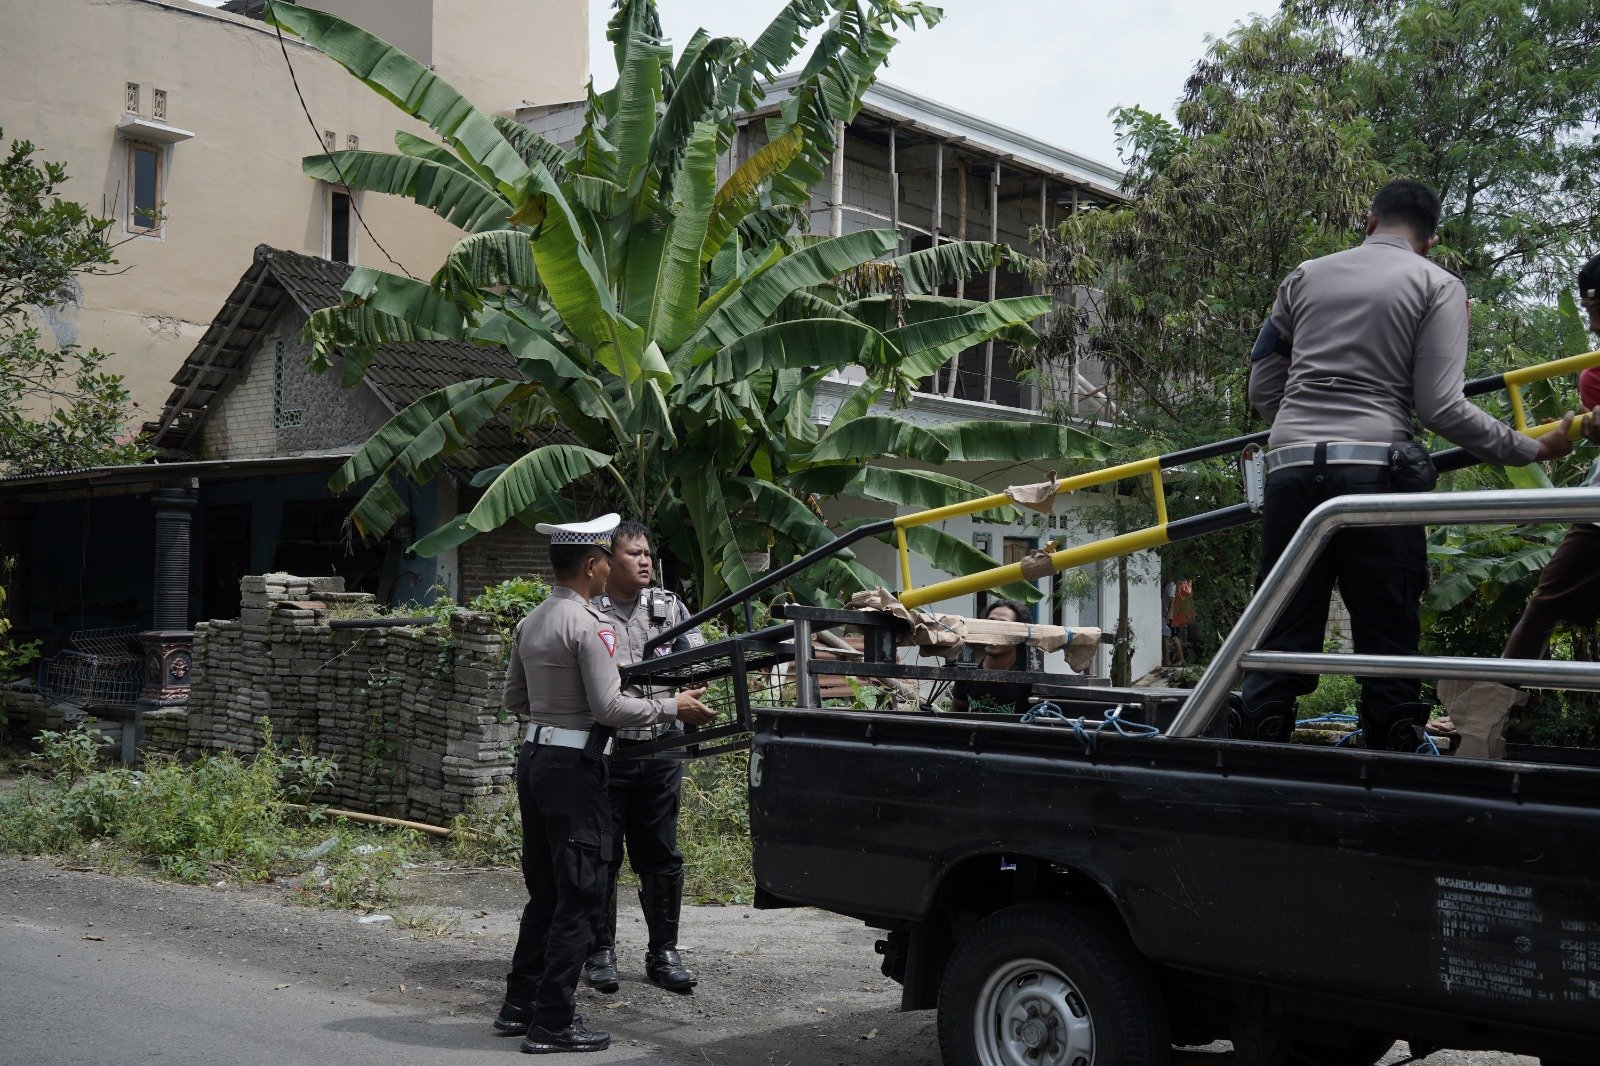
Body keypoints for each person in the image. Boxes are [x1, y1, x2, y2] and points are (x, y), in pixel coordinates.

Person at [1239, 178, 1577, 751]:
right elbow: (1441, 406)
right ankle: (1392, 758)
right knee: (1386, 626)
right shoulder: (1438, 284)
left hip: (1290, 467)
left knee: (1281, 624)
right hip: (1374, 474)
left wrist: (1302, 424)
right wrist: (1532, 448)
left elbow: (1262, 384)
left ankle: (1255, 756)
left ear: (1369, 222)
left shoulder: (1303, 276)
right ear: (1430, 240)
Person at [494, 513, 715, 1055]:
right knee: (583, 891)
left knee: (545, 890)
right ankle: (551, 1021)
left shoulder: (533, 620)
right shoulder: (589, 626)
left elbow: (513, 701)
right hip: (578, 769)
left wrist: (557, 712)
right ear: (594, 566)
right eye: (611, 560)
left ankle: (518, 1006)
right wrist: (673, 706)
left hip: (536, 758)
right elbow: (610, 706)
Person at [1437, 254, 1600, 756]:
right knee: (1545, 604)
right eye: (1588, 310)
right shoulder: (1592, 376)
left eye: (1598, 309)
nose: (1591, 322)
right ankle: (1483, 715)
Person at [582, 521, 704, 995]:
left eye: (648, 553)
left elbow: (697, 659)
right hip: (607, 752)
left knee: (660, 854)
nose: (645, 561)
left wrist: (693, 682)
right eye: (633, 554)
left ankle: (664, 952)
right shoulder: (589, 610)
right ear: (608, 561)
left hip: (661, 750)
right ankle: (600, 952)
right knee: (601, 855)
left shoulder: (669, 606)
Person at [949, 599, 1036, 715]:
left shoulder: (1030, 672)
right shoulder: (969, 667)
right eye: (990, 624)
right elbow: (958, 707)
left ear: (1020, 635)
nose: (994, 632)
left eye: (1003, 626)